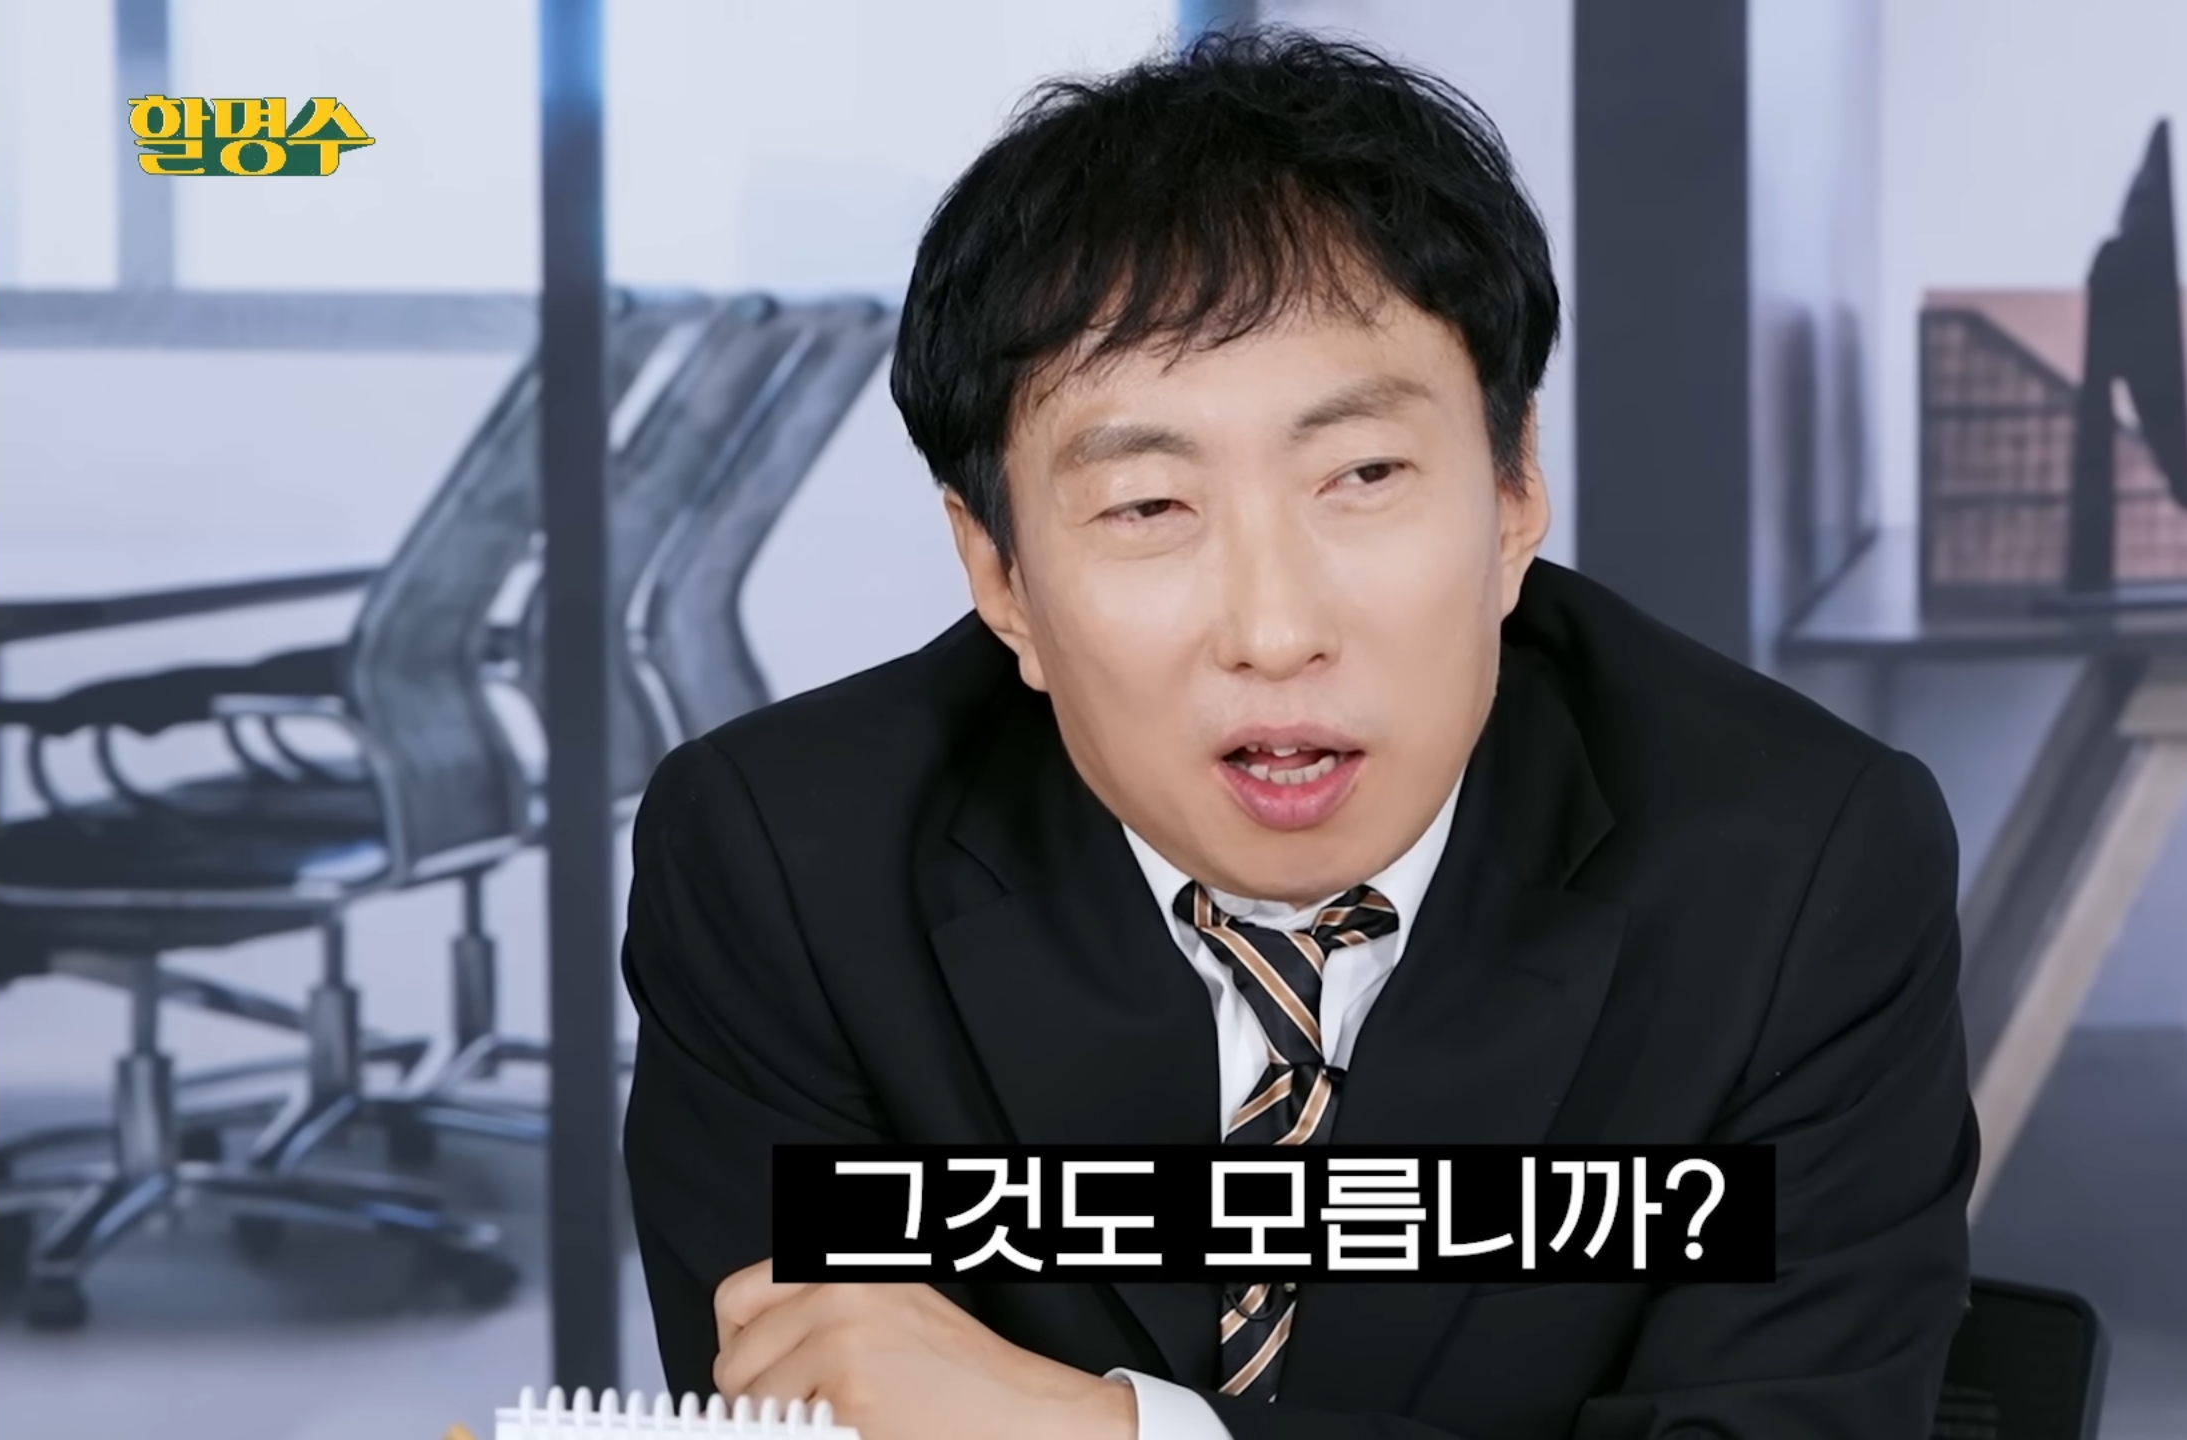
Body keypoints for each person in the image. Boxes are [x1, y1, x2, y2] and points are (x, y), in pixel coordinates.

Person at [621, 28, 1977, 1440]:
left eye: (1364, 474)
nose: (1275, 630)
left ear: (1515, 492)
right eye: (1150, 505)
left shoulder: (1798, 864)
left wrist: (1111, 1432)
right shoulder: (784, 867)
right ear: (998, 574)